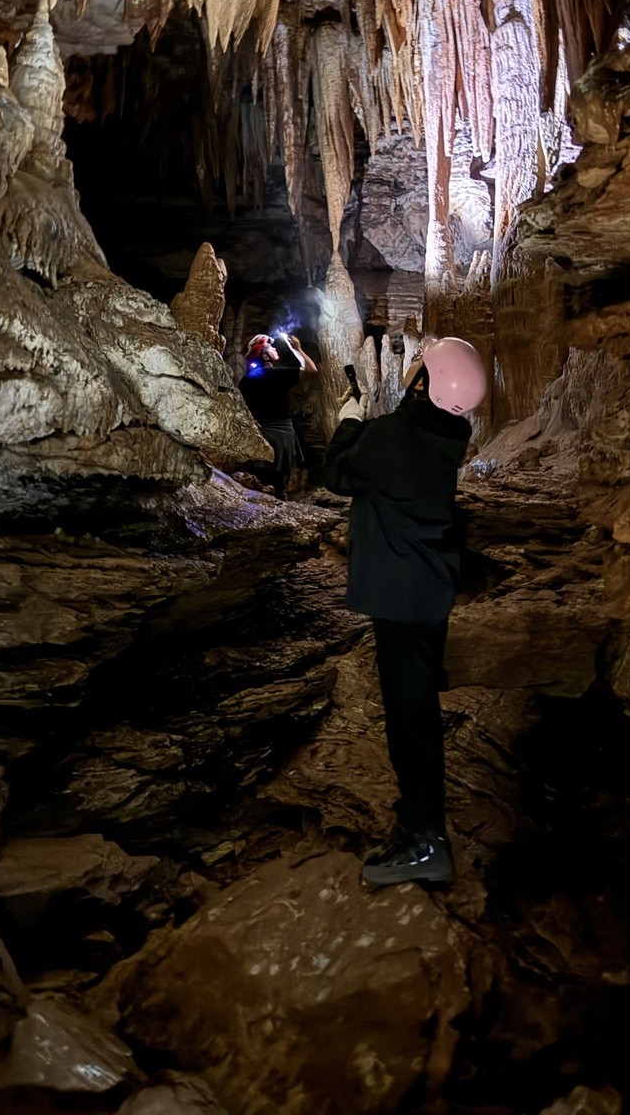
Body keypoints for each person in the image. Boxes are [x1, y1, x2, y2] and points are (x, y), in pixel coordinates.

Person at [322, 336, 488, 889]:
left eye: (422, 365)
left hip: (398, 597)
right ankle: (418, 825)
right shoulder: (448, 434)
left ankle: (425, 840)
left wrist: (348, 419)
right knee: (416, 711)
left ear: (428, 383)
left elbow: (340, 472)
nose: (415, 366)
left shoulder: (393, 436)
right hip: (428, 591)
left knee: (410, 721)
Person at [238, 331, 317, 498]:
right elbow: (311, 370)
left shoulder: (246, 380)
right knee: (277, 485)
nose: (275, 349)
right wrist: (297, 348)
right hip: (279, 436)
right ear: (265, 355)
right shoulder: (277, 374)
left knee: (261, 483)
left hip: (258, 437)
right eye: (271, 347)